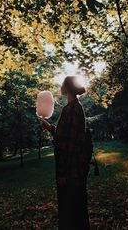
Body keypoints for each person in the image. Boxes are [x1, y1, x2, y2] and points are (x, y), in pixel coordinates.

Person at [40, 76, 90, 230]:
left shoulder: (70, 109)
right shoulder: (76, 107)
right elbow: (64, 136)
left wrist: (62, 173)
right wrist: (49, 127)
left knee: (70, 210)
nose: (60, 86)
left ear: (67, 88)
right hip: (77, 169)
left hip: (70, 171)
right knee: (78, 208)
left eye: (62, 84)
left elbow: (65, 145)